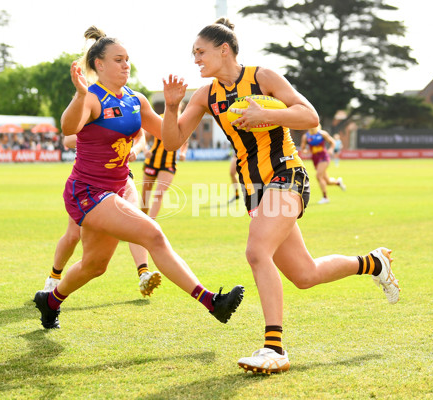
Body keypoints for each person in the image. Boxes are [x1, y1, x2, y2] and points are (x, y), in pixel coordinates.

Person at [161, 18, 400, 374]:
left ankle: (274, 348)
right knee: (304, 274)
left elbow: (311, 117)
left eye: (201, 52)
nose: (195, 59)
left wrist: (267, 114)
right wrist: (170, 107)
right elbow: (172, 141)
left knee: (257, 252)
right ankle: (373, 262)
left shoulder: (263, 78)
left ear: (223, 50)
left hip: (287, 174)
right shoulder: (205, 95)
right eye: (193, 54)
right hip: (254, 191)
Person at [33, 26, 244, 330]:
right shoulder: (92, 97)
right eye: (118, 59)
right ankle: (211, 302)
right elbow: (68, 128)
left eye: (127, 59)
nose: (126, 65)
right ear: (99, 65)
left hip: (120, 186)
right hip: (88, 192)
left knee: (95, 266)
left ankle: (49, 301)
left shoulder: (136, 100)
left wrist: (173, 107)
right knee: (153, 234)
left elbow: (170, 138)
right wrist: (79, 94)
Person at [42, 133, 162, 297]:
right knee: (72, 236)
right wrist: (101, 140)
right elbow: (68, 139)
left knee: (137, 221)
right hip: (90, 182)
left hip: (122, 177)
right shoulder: (90, 109)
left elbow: (141, 135)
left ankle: (144, 273)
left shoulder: (130, 107)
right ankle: (54, 277)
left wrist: (136, 149)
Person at [140, 103, 188, 219]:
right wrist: (145, 150)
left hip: (169, 163)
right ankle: (142, 220)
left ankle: (151, 224)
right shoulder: (160, 118)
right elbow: (144, 138)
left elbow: (185, 142)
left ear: (180, 107)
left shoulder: (182, 121)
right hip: (152, 160)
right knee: (146, 194)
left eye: (177, 106)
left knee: (159, 193)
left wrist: (183, 153)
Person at [300, 124, 346, 204]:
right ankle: (338, 182)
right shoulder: (306, 136)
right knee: (327, 181)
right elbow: (303, 148)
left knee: (318, 176)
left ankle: (325, 197)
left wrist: (331, 149)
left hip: (324, 157)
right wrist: (305, 151)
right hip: (315, 159)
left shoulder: (322, 134)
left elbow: (332, 142)